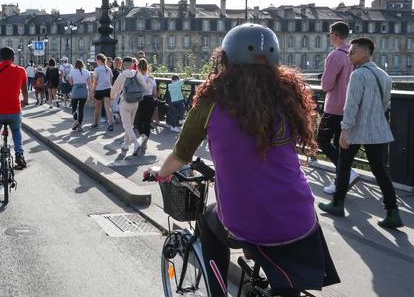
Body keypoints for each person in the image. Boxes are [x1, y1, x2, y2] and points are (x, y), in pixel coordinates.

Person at [145, 24, 340, 297]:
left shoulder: (211, 101)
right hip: (301, 218)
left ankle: (218, 292)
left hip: (247, 221)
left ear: (225, 59)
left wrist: (160, 172)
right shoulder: (288, 97)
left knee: (208, 220)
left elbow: (180, 156)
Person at [318, 38, 403, 228]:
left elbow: (351, 105)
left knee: (344, 165)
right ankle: (393, 212)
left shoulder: (358, 75)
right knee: (380, 170)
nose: (349, 54)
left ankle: (337, 204)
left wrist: (344, 131)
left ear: (365, 53)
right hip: (377, 129)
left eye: (353, 52)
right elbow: (384, 103)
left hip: (356, 129)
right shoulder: (384, 75)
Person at [318, 21, 359, 194]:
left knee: (322, 140)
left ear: (334, 34)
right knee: (340, 144)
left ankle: (346, 173)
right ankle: (343, 177)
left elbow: (326, 85)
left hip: (334, 108)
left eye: (330, 35)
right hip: (350, 108)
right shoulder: (355, 54)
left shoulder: (335, 56)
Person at [0, 47, 28, 180]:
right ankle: (19, 154)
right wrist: (25, 101)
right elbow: (25, 90)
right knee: (16, 129)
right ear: (13, 58)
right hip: (14, 111)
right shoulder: (21, 70)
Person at [111, 57, 147, 155]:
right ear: (132, 64)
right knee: (130, 124)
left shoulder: (122, 75)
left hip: (125, 101)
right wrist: (140, 95)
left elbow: (114, 89)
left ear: (123, 64)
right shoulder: (137, 73)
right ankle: (126, 143)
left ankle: (136, 142)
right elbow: (145, 87)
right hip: (135, 102)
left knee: (126, 124)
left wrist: (112, 96)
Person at [135, 58, 157, 151]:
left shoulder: (136, 77)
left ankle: (142, 138)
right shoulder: (151, 78)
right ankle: (145, 142)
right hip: (150, 100)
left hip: (140, 101)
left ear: (138, 67)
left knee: (138, 122)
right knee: (147, 122)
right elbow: (155, 93)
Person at [92, 54, 114, 131]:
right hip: (107, 89)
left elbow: (95, 82)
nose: (96, 62)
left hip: (99, 90)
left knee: (97, 107)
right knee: (107, 107)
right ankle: (111, 123)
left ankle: (95, 123)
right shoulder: (109, 69)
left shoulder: (97, 69)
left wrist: (92, 91)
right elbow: (111, 80)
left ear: (99, 60)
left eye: (96, 60)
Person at [68, 59, 91, 132]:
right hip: (84, 90)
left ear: (75, 64)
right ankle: (79, 125)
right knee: (81, 109)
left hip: (76, 90)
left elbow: (71, 83)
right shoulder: (87, 72)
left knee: (74, 108)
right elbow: (89, 84)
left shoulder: (72, 71)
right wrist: (90, 93)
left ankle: (75, 121)